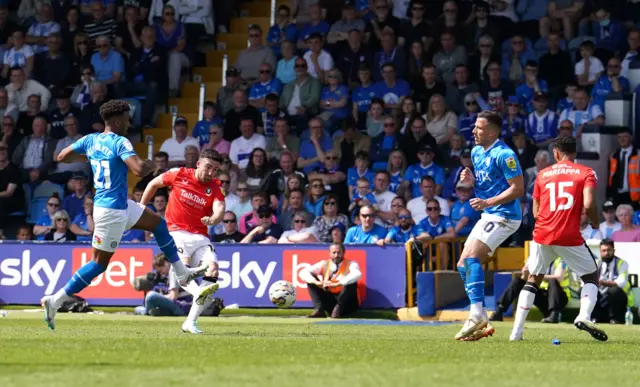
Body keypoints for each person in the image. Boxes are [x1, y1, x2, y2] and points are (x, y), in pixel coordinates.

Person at [41, 100, 204, 331]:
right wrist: (150, 166)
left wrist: (90, 156)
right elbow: (138, 169)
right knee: (98, 264)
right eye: (127, 118)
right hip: (111, 212)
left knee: (158, 224)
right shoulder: (120, 141)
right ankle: (55, 300)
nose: (129, 122)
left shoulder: (90, 140)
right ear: (117, 121)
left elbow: (61, 157)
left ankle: (180, 271)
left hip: (119, 205)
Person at [509, 135, 607, 342]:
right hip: (568, 235)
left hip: (542, 234)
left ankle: (516, 332)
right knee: (590, 276)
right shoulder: (586, 172)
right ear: (575, 152)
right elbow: (589, 204)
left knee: (534, 279)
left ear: (555, 153)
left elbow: (535, 212)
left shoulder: (542, 174)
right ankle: (584, 316)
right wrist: (595, 222)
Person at [454, 110, 525, 341]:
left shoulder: (505, 154)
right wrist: (472, 182)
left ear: (492, 131)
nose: (474, 131)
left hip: (505, 215)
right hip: (489, 214)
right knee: (463, 263)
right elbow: (488, 184)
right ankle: (482, 319)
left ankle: (476, 314)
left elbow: (518, 189)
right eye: (475, 126)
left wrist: (488, 202)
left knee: (472, 259)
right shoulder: (476, 152)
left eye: (479, 127)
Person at [140, 148, 226, 334]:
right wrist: (141, 206)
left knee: (213, 270)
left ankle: (190, 322)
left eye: (215, 170)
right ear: (198, 164)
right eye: (208, 167)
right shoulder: (178, 174)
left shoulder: (216, 188)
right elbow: (153, 184)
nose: (211, 172)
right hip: (176, 233)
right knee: (183, 268)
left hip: (200, 236)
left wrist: (213, 219)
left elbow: (220, 210)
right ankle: (197, 293)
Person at [298, 242, 361, 318]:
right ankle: (319, 310)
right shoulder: (324, 264)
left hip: (347, 303)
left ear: (343, 253)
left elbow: (357, 274)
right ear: (329, 253)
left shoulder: (351, 264)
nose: (336, 255)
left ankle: (338, 309)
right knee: (310, 280)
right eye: (334, 253)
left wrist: (337, 284)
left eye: (339, 252)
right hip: (330, 301)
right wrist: (317, 282)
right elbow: (303, 272)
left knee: (352, 282)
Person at [594, 239, 633, 324]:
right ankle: (594, 318)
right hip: (601, 297)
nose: (606, 253)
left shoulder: (622, 263)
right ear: (600, 252)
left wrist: (601, 282)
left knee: (614, 290)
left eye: (609, 250)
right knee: (590, 289)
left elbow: (621, 282)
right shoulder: (597, 263)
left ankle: (615, 319)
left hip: (617, 298)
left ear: (613, 250)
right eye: (603, 250)